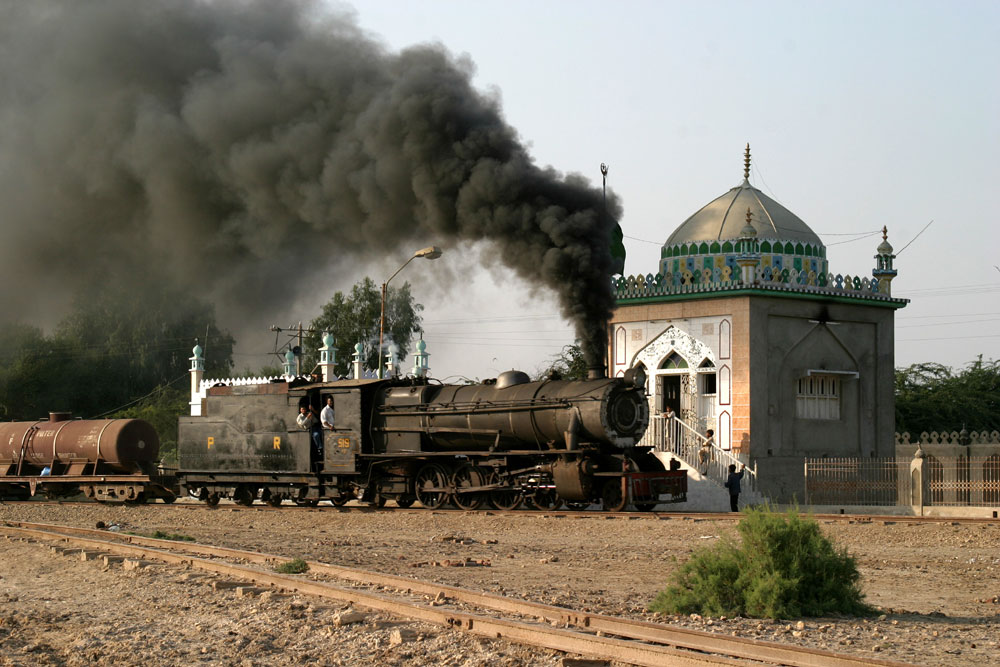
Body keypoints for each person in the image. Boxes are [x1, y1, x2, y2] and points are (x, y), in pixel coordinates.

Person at [297, 405, 324, 470]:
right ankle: (320, 448)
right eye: (302, 409)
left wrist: (312, 417)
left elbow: (316, 421)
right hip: (308, 429)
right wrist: (307, 418)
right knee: (316, 435)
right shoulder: (299, 417)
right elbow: (302, 424)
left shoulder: (309, 413)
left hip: (314, 427)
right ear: (300, 410)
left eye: (304, 409)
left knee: (322, 433)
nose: (303, 410)